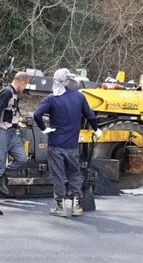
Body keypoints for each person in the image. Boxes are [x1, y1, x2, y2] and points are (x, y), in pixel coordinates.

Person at [33, 68, 103, 217]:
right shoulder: (79, 97)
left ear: (54, 81)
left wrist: (44, 129)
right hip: (72, 145)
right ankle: (76, 205)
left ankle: (60, 207)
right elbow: (90, 115)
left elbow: (37, 114)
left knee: (58, 174)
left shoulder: (51, 99)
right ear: (68, 81)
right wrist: (96, 130)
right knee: (74, 173)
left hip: (56, 144)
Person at [0, 71, 29, 203]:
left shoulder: (14, 94)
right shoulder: (6, 92)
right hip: (2, 132)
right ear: (22, 82)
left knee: (22, 159)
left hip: (12, 133)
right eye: (25, 86)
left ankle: (1, 176)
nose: (24, 89)